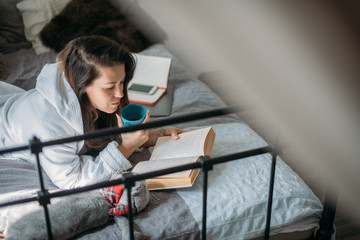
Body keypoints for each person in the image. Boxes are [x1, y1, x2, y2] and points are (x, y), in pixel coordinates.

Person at [0, 36, 183, 189]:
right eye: (110, 87)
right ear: (82, 87)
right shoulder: (48, 128)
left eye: (122, 83)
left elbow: (107, 136)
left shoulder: (96, 100)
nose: (120, 94)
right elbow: (72, 180)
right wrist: (126, 148)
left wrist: (154, 135)